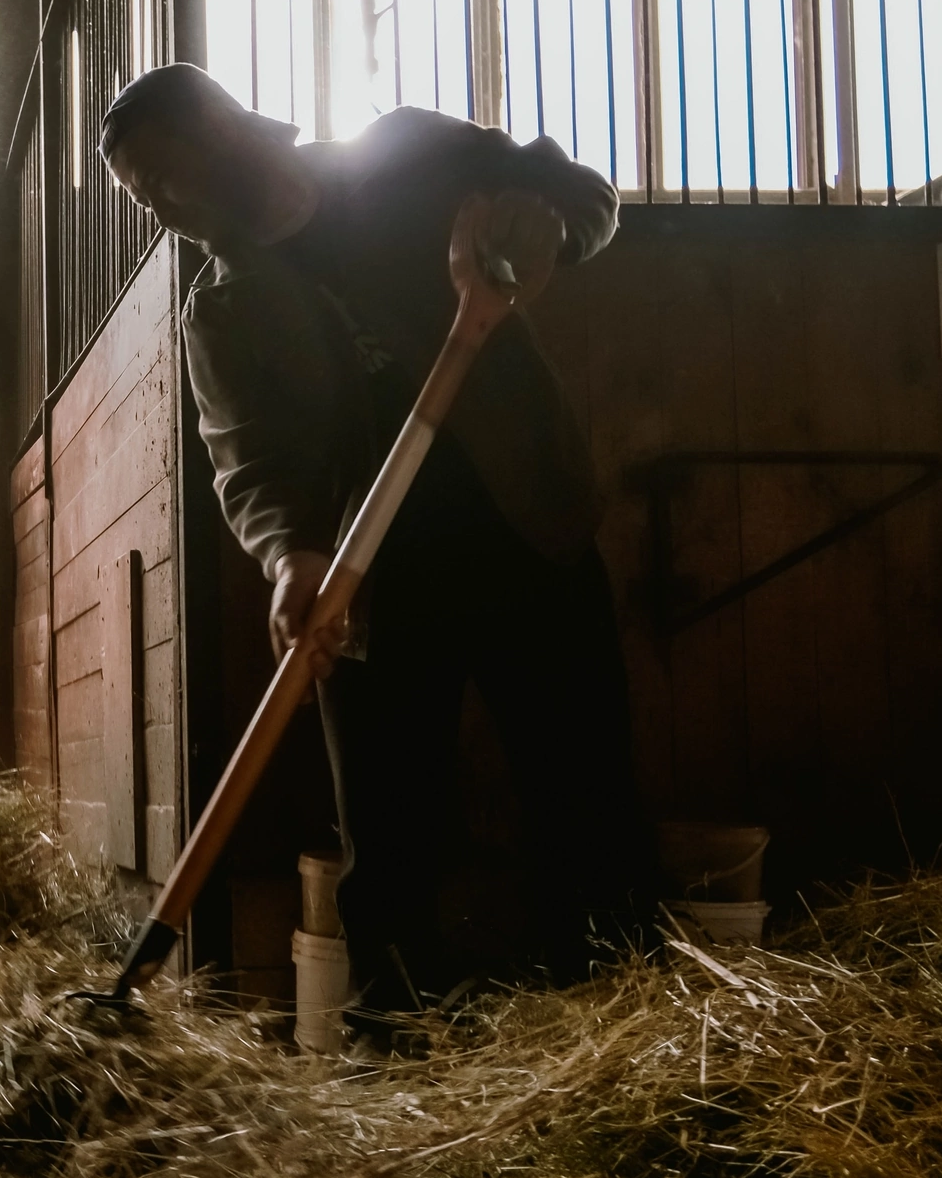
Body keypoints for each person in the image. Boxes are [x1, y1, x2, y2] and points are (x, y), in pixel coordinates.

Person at [98, 63, 656, 1010]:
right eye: (147, 198)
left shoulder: (408, 157)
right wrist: (291, 557)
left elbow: (586, 197)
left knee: (586, 802)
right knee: (388, 850)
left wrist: (551, 225)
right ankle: (389, 1051)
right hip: (376, 582)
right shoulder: (225, 312)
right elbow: (253, 464)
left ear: (226, 125)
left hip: (529, 529)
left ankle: (620, 1018)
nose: (166, 210)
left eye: (166, 178)